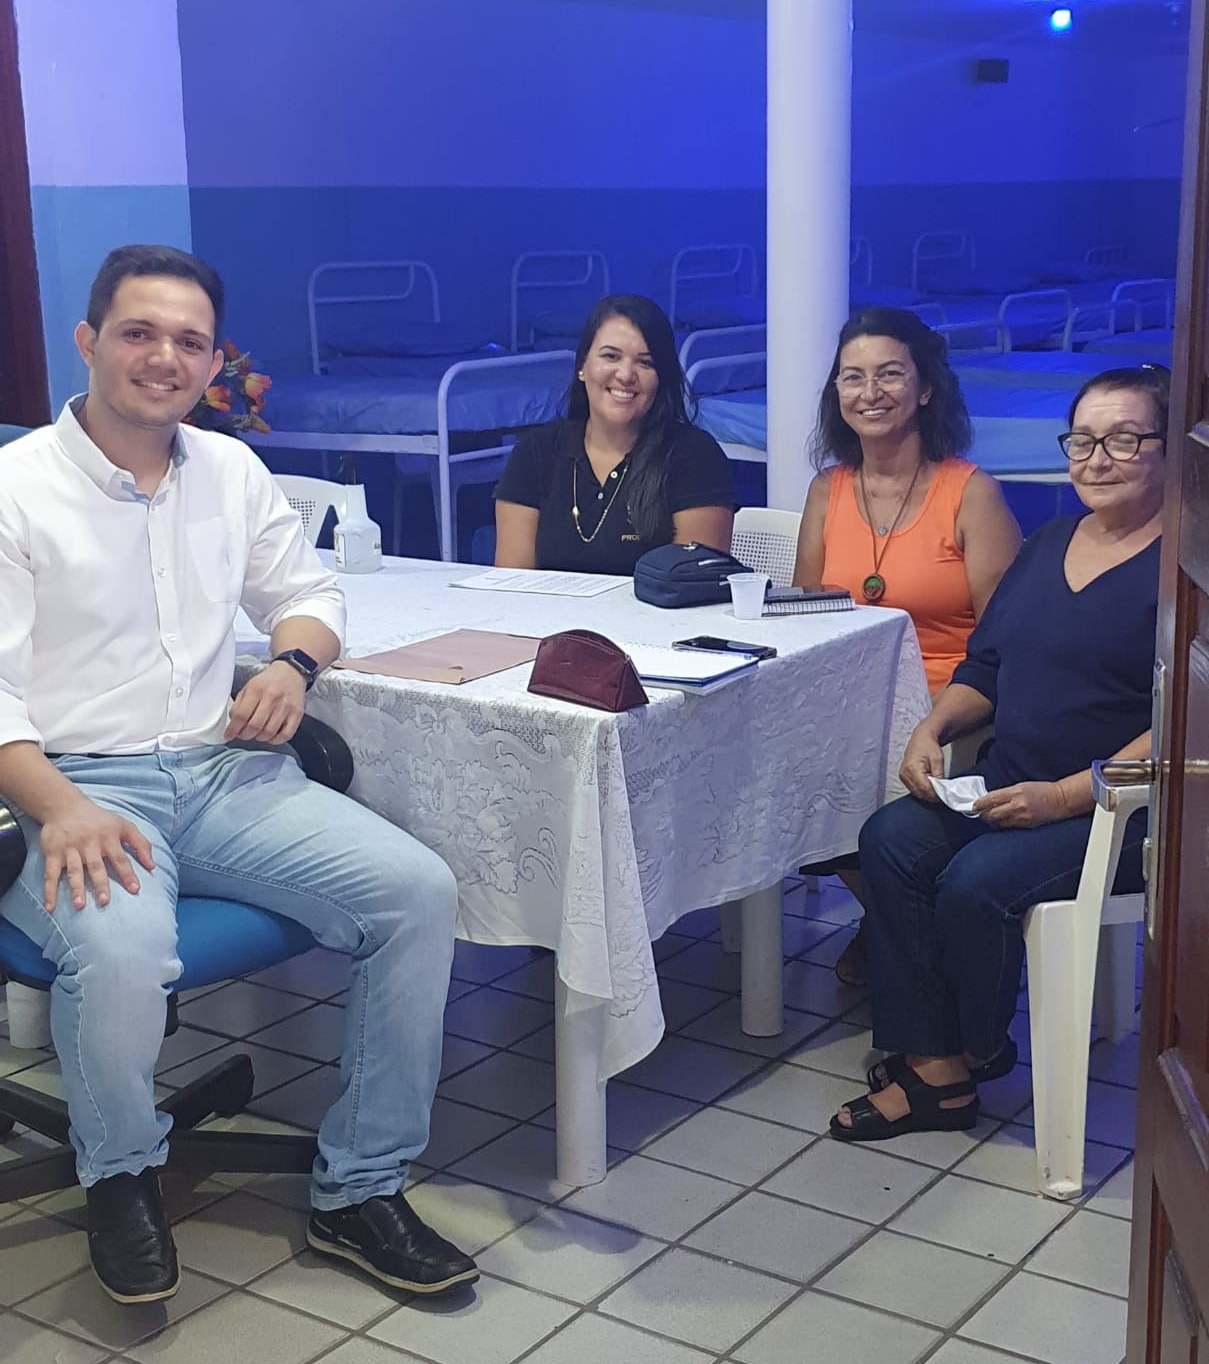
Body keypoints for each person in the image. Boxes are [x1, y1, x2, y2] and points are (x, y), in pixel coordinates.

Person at [0, 246, 477, 1305]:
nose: (163, 358)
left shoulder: (229, 470)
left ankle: (360, 1187)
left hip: (222, 774)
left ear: (214, 362)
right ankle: (120, 1176)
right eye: (138, 332)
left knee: (417, 892)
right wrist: (59, 808)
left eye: (189, 341)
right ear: (87, 341)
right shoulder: (16, 488)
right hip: (76, 782)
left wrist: (293, 666)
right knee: (123, 949)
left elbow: (310, 594)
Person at [829, 364, 1166, 1143]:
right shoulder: (1047, 543)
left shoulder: (1182, 567)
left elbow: (1183, 721)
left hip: (1116, 810)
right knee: (890, 839)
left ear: (1167, 449)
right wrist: (932, 728)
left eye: (1123, 440)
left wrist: (1067, 795)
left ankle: (971, 1052)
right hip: (1012, 780)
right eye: (1082, 441)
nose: (1097, 459)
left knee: (974, 881)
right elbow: (984, 665)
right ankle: (936, 1063)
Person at [792, 307, 1020, 984]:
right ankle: (892, 920)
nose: (870, 392)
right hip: (850, 696)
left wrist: (938, 712)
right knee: (777, 767)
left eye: (889, 374)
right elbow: (806, 617)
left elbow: (1004, 642)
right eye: (852, 376)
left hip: (949, 701)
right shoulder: (826, 489)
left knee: (859, 766)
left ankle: (902, 934)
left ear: (924, 389)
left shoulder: (969, 493)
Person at [494, 294, 737, 575]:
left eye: (645, 363)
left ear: (661, 378)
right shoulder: (535, 451)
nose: (625, 374)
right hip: (544, 606)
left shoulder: (695, 456)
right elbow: (511, 582)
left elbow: (692, 584)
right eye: (611, 356)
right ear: (582, 366)